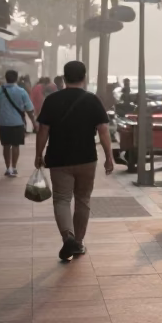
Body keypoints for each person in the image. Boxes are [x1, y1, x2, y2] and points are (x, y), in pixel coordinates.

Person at [34, 60, 113, 261]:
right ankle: (78, 242)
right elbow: (103, 131)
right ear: (84, 77)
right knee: (83, 199)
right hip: (87, 158)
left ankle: (67, 236)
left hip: (59, 158)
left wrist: (38, 154)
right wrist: (109, 158)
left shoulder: (52, 100)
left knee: (62, 199)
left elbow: (43, 130)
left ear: (64, 77)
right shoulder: (92, 100)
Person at [0, 70, 36, 176]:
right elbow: (29, 108)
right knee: (15, 145)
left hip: (3, 122)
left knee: (6, 145)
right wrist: (33, 122)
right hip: (17, 123)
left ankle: (7, 168)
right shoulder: (21, 91)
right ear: (16, 78)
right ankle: (14, 167)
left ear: (6, 78)